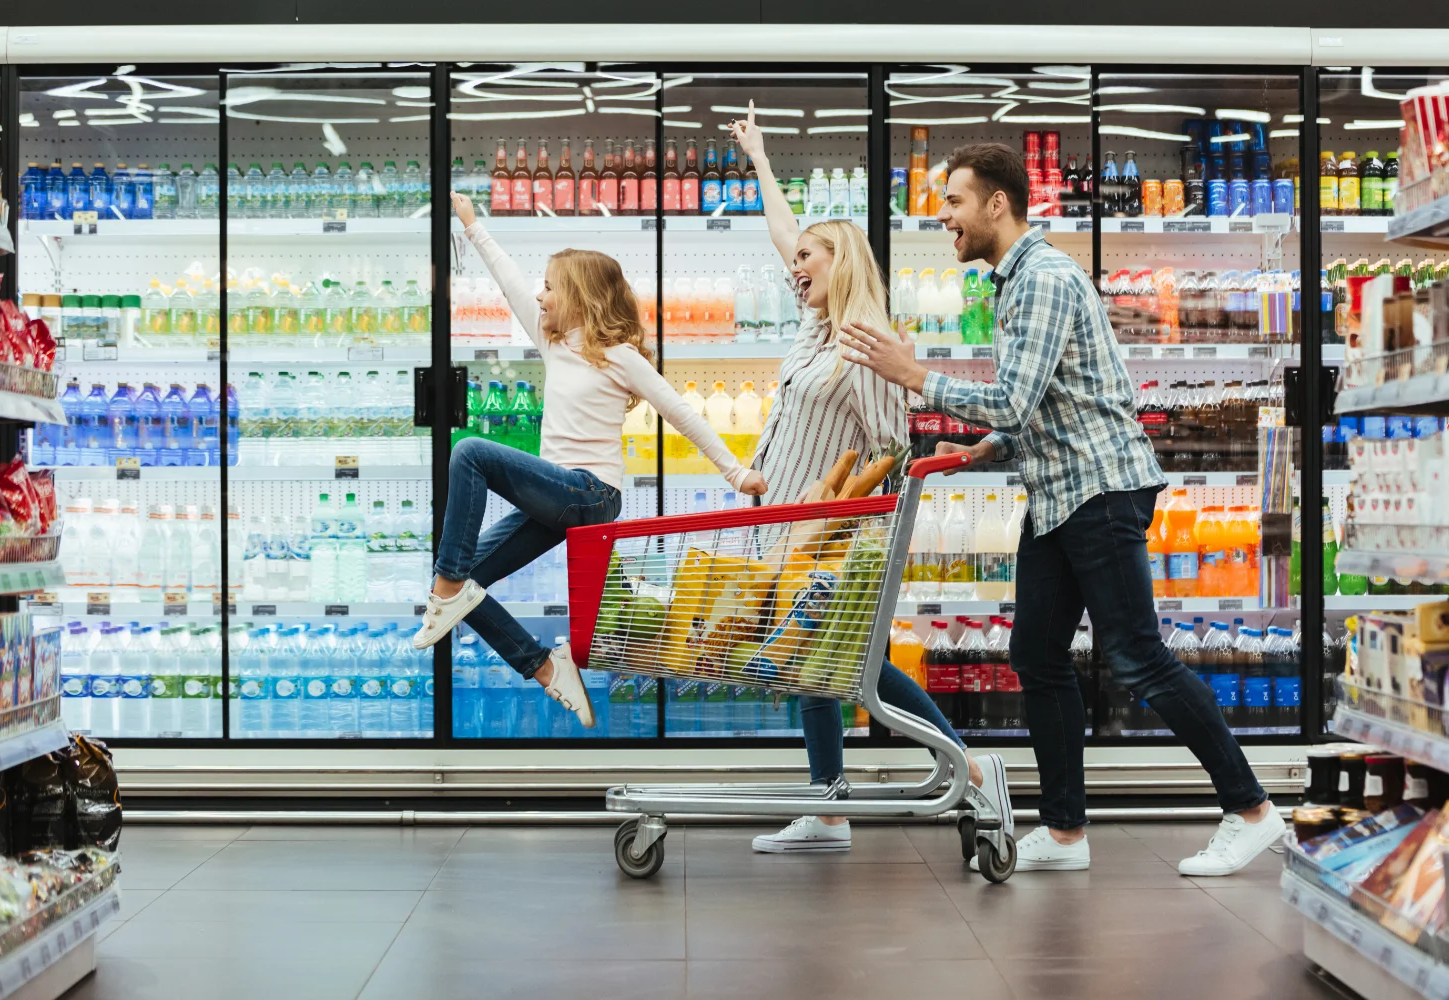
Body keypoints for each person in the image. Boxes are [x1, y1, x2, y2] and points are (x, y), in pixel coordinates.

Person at [837, 142, 1284, 876]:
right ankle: (1065, 831)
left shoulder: (1040, 277)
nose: (941, 215)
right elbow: (1044, 406)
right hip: (1058, 489)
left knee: (1137, 656)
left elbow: (1016, 396)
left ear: (996, 204)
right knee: (1036, 654)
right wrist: (997, 448)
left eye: (953, 202)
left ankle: (1251, 808)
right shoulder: (1012, 282)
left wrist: (914, 375)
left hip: (1097, 489)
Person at [728, 104, 1012, 854]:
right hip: (784, 523)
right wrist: (760, 158)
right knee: (827, 668)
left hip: (831, 537)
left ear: (841, 264)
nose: (793, 268)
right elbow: (787, 236)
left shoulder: (866, 339)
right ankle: (834, 807)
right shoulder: (815, 327)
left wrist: (832, 516)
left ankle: (960, 772)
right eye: (793, 262)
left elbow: (890, 446)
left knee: (850, 669)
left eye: (807, 261)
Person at [415, 192, 767, 728]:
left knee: (469, 454)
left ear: (579, 297)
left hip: (589, 494)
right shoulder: (552, 343)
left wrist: (735, 471)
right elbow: (509, 280)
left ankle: (444, 587)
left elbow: (681, 412)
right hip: (553, 500)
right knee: (466, 584)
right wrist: (471, 224)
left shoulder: (619, 357)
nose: (539, 295)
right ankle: (542, 666)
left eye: (551, 287)